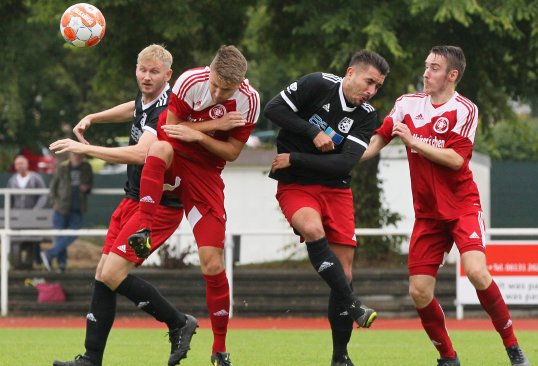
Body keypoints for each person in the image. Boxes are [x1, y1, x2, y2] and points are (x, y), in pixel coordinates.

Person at [362, 45, 530, 366]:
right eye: (426, 66)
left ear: (452, 75)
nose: (426, 73)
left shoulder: (465, 109)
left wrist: (414, 142)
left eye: (434, 68)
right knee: (419, 291)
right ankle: (448, 357)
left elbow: (455, 159)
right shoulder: (406, 104)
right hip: (428, 216)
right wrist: (347, 158)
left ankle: (512, 347)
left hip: (462, 207)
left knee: (478, 273)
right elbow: (379, 139)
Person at [48, 44, 197, 366]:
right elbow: (135, 108)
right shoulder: (148, 99)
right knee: (103, 274)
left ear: (168, 75)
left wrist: (84, 148)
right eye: (142, 70)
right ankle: (91, 359)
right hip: (133, 198)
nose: (146, 76)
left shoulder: (166, 109)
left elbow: (141, 154)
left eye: (154, 72)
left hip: (158, 207)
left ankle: (178, 321)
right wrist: (95, 117)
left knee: (113, 274)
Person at [127, 45, 260, 366]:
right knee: (158, 148)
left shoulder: (250, 101)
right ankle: (143, 228)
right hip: (174, 158)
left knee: (213, 264)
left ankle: (220, 348)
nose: (216, 92)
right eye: (214, 83)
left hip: (207, 175)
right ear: (209, 70)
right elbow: (167, 130)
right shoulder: (190, 81)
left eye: (224, 89)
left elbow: (231, 153)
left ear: (239, 84)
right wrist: (214, 126)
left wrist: (198, 136)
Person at [264, 50, 389, 366]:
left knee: (344, 274)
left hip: (336, 190)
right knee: (312, 228)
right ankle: (355, 306)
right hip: (295, 185)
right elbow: (273, 109)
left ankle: (340, 356)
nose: (371, 91)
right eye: (369, 82)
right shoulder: (317, 84)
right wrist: (312, 131)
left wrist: (297, 157)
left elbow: (345, 163)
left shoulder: (366, 115)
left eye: (377, 87)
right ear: (351, 72)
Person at [41, 152, 93, 273]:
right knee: (60, 236)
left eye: (80, 155)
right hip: (61, 206)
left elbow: (89, 184)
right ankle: (61, 265)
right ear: (70, 156)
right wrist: (53, 202)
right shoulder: (62, 168)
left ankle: (49, 254)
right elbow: (53, 186)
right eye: (75, 155)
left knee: (72, 234)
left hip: (78, 206)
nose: (77, 157)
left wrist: (87, 188)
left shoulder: (86, 167)